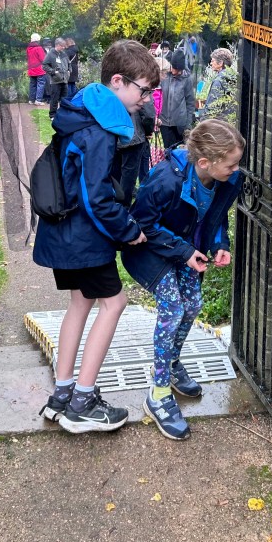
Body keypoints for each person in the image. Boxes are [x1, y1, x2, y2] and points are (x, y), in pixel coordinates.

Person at [34, 39, 160, 434]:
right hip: (84, 238)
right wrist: (130, 231)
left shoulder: (81, 113)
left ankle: (63, 393)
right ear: (118, 82)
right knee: (115, 303)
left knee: (81, 303)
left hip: (64, 232)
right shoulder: (100, 131)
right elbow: (97, 198)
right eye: (143, 90)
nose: (146, 99)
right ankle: (83, 402)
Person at [122, 119, 245, 440]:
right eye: (231, 164)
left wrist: (220, 245)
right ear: (205, 162)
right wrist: (185, 251)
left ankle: (172, 363)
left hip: (184, 250)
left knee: (193, 305)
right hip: (147, 249)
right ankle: (159, 393)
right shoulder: (165, 180)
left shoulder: (228, 181)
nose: (236, 169)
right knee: (174, 308)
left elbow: (215, 218)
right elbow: (140, 225)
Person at [158, 48, 195, 149]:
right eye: (174, 69)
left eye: (179, 70)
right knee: (167, 150)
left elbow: (190, 102)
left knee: (179, 152)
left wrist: (188, 124)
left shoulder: (186, 79)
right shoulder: (164, 76)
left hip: (180, 123)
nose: (175, 72)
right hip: (164, 122)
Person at [43, 36, 79, 118]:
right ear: (57, 45)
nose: (63, 47)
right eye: (62, 46)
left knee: (64, 99)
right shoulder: (50, 54)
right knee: (54, 99)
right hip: (55, 81)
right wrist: (53, 72)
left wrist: (69, 71)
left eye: (64, 46)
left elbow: (69, 63)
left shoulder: (63, 54)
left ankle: (63, 114)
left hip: (65, 80)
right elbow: (44, 65)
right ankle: (52, 115)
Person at [201, 48, 236, 121]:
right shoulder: (232, 77)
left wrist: (203, 122)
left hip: (217, 123)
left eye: (213, 61)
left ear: (220, 63)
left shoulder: (219, 80)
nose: (211, 63)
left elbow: (212, 105)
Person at [26, 33, 47, 105]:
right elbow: (43, 59)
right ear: (38, 40)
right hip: (39, 69)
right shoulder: (39, 48)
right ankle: (38, 100)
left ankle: (31, 100)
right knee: (40, 84)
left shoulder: (28, 48)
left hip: (31, 69)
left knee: (32, 84)